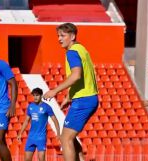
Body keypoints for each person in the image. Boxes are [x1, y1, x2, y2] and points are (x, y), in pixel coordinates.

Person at [43, 23, 98, 161]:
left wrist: (54, 91)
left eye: (63, 35)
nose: (59, 39)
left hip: (83, 100)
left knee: (65, 138)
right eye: (58, 36)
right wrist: (69, 96)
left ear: (72, 36)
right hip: (87, 98)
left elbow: (76, 75)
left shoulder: (72, 52)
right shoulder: (82, 49)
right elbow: (84, 77)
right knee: (70, 138)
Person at [17, 88, 60, 161]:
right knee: (27, 159)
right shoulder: (30, 106)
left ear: (41, 95)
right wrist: (20, 133)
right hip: (31, 137)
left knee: (41, 159)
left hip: (41, 138)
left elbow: (55, 120)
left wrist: (58, 133)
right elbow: (26, 121)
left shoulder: (47, 107)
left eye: (37, 95)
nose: (35, 97)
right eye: (34, 95)